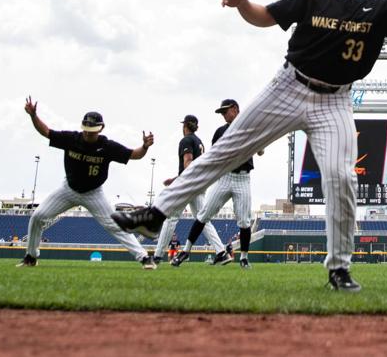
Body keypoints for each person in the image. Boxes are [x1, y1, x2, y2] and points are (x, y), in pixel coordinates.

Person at [115, 0, 387, 292]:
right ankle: (154, 214)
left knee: (341, 178)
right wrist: (242, 4)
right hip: (289, 86)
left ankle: (339, 268)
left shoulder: (380, 8)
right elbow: (265, 16)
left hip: (335, 100)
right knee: (226, 151)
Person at [16, 99, 155, 269]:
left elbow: (134, 155)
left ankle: (143, 258)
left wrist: (145, 147)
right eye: (86, 129)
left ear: (101, 128)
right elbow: (46, 132)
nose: (88, 133)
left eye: (93, 130)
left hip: (93, 193)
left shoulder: (107, 146)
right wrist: (33, 116)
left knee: (116, 225)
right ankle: (31, 257)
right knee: (37, 216)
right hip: (68, 189)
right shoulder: (71, 139)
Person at [174, 99, 260, 270]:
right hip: (225, 177)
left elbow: (260, 149)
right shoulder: (220, 131)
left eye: (225, 111)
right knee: (203, 214)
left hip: (243, 178)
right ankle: (185, 251)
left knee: (244, 221)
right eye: (221, 113)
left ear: (235, 109)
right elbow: (213, 156)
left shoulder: (249, 126)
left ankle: (243, 258)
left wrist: (257, 145)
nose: (223, 115)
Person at [155, 115, 228, 266]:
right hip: (200, 183)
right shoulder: (199, 142)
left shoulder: (186, 140)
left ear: (185, 126)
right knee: (202, 219)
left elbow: (188, 164)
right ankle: (221, 252)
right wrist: (175, 178)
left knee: (171, 217)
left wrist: (180, 180)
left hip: (189, 183)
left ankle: (157, 256)